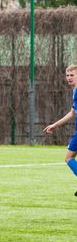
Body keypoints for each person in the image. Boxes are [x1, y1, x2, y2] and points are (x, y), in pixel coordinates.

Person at [44, 64, 77, 196]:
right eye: (67, 75)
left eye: (72, 75)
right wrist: (55, 125)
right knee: (69, 157)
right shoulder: (75, 91)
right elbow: (72, 113)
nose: (69, 77)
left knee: (68, 158)